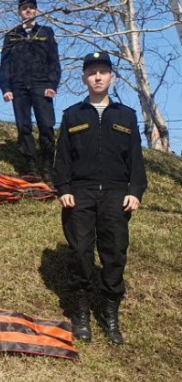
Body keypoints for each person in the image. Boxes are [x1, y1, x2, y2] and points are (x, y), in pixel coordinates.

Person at [54, 51, 148, 345]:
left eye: (102, 72)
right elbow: (63, 159)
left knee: (115, 252)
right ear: (84, 78)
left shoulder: (126, 116)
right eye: (92, 72)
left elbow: (135, 160)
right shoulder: (72, 115)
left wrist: (135, 192)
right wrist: (64, 188)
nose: (97, 77)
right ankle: (80, 313)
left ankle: (109, 312)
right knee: (81, 251)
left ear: (111, 77)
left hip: (116, 193)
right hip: (79, 193)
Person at [0, 0, 61, 181]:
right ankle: (31, 167)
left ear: (36, 10)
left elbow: (54, 62)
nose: (28, 11)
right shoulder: (11, 35)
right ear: (19, 12)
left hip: (42, 85)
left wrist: (52, 85)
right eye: (24, 8)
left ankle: (48, 165)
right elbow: (5, 64)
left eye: (31, 8)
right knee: (24, 127)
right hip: (19, 86)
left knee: (47, 126)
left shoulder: (46, 33)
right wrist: (5, 87)